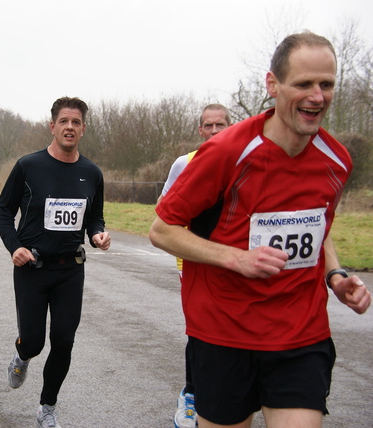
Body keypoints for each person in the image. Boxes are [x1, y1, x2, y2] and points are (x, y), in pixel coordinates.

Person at [149, 32, 371, 428]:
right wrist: (235, 257)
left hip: (301, 334)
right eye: (303, 84)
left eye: (326, 84)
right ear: (273, 85)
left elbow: (319, 226)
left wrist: (334, 273)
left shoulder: (337, 161)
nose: (317, 96)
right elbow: (163, 229)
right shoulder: (227, 151)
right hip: (223, 333)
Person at [0, 97, 111, 428]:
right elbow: (3, 210)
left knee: (63, 339)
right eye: (64, 121)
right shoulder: (28, 166)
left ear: (83, 128)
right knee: (34, 341)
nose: (69, 127)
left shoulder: (91, 173)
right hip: (31, 267)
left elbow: (95, 217)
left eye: (76, 122)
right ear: (52, 126)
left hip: (70, 269)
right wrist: (14, 247)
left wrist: (98, 234)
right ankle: (21, 356)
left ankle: (47, 406)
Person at [159, 103, 232, 428]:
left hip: (233, 258)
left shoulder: (245, 159)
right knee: (201, 325)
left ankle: (232, 392)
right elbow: (165, 209)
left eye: (221, 125)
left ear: (231, 127)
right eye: (209, 126)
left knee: (231, 324)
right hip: (191, 257)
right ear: (200, 130)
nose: (215, 131)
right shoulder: (184, 163)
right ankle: (191, 396)